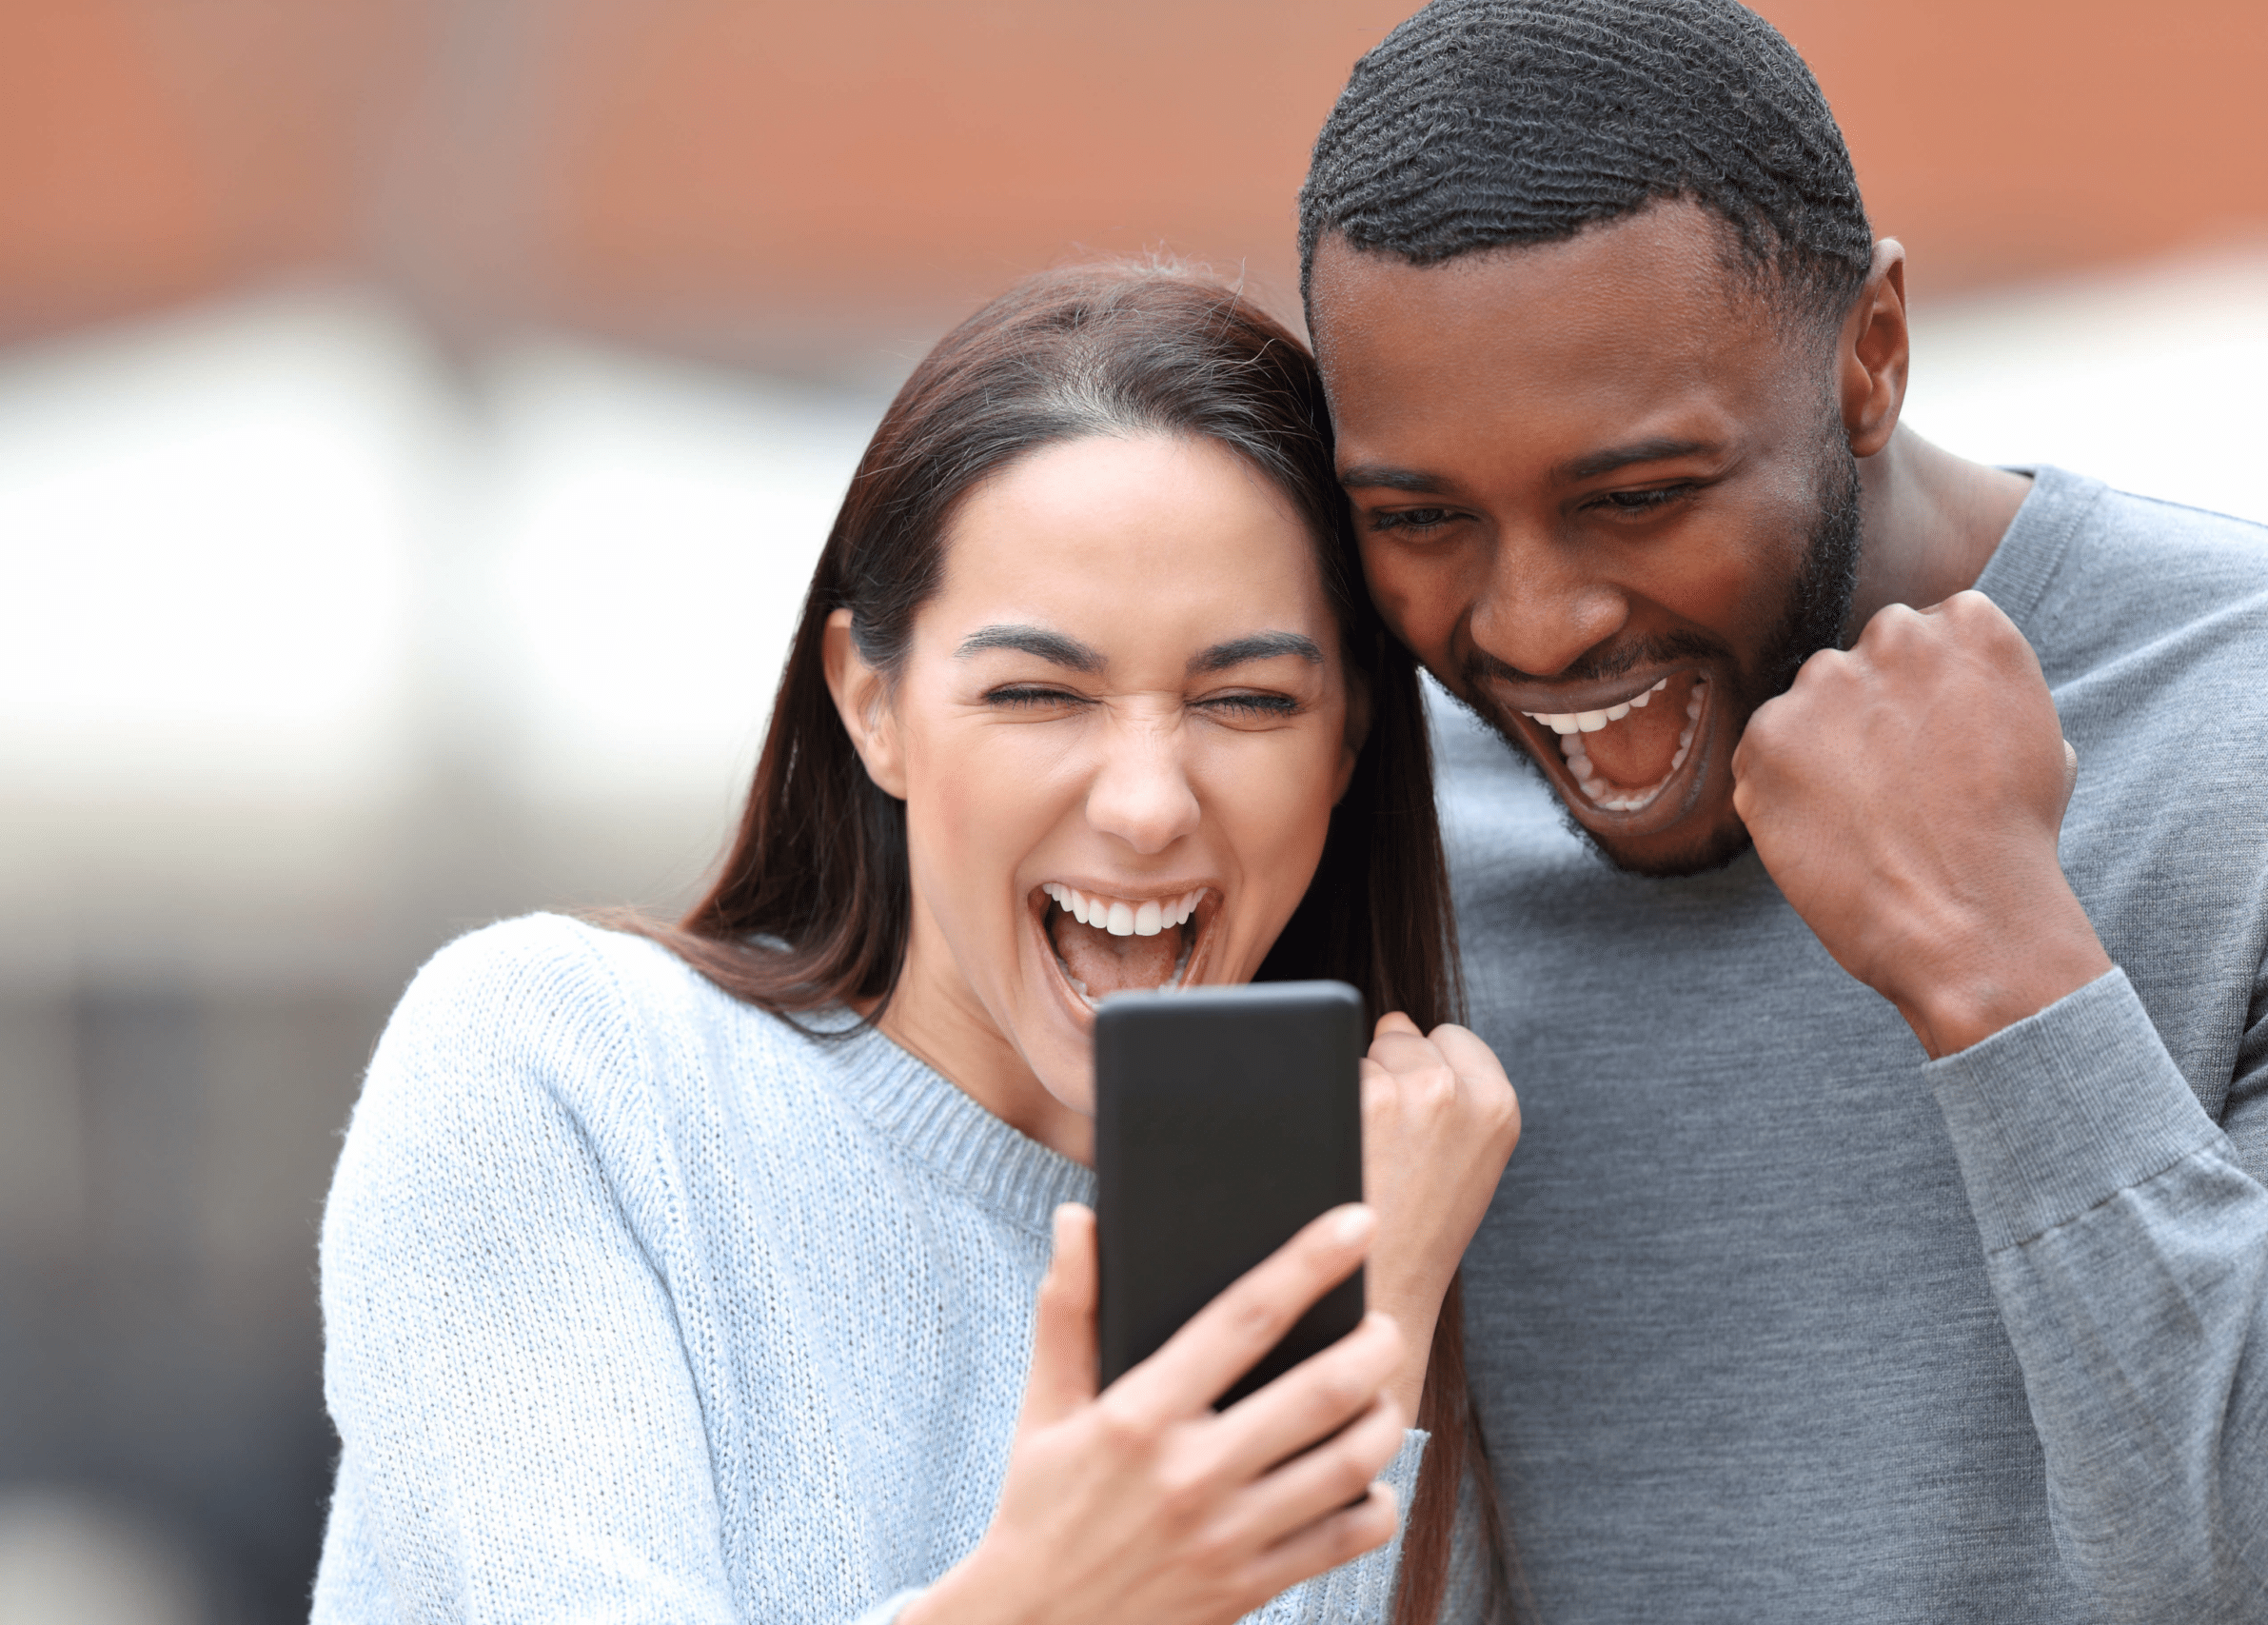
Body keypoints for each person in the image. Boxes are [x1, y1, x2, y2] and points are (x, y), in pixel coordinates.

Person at [1293, 1, 2268, 1619]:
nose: (1534, 625)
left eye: (1640, 498)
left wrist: (2001, 963)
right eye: (1420, 518)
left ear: (1873, 352)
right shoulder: (1347, 794)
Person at [310, 266, 1522, 1625]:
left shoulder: (1406, 1213)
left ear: (1348, 738)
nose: (1144, 801)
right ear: (871, 702)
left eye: (1245, 697)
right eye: (1035, 692)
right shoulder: (566, 1071)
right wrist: (1053, 1600)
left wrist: (1373, 1325)